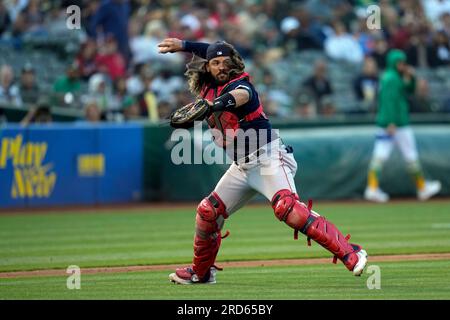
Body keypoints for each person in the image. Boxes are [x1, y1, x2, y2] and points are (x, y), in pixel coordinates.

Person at [158, 38, 368, 285]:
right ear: (207, 66)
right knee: (208, 212)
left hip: (268, 156)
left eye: (226, 62)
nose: (221, 66)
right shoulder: (208, 82)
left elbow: (240, 96)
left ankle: (351, 252)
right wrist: (183, 44)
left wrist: (212, 105)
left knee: (288, 209)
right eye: (215, 63)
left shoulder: (241, 84)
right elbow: (211, 50)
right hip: (241, 166)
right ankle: (201, 273)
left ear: (233, 64)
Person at [364, 49, 442, 203]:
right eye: (400, 62)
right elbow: (389, 101)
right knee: (408, 156)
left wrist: (410, 76)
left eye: (403, 62)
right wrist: (391, 122)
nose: (402, 65)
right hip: (396, 124)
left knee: (380, 156)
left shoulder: (392, 77)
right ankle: (422, 188)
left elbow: (410, 89)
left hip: (389, 123)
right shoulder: (391, 78)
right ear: (393, 63)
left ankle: (372, 189)